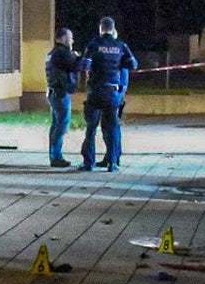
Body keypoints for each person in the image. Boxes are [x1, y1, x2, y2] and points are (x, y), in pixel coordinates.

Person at [79, 16, 138, 172]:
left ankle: (88, 163)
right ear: (113, 29)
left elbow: (84, 65)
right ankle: (112, 163)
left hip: (95, 91)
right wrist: (119, 64)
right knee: (112, 128)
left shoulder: (94, 44)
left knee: (91, 128)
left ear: (100, 28)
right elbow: (133, 64)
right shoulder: (121, 46)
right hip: (112, 92)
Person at [43, 28, 81, 168]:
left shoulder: (53, 53)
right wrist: (79, 57)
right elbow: (76, 66)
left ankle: (54, 155)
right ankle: (56, 157)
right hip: (60, 93)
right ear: (63, 38)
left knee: (56, 125)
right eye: (70, 38)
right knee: (62, 125)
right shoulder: (62, 53)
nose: (72, 41)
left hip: (53, 92)